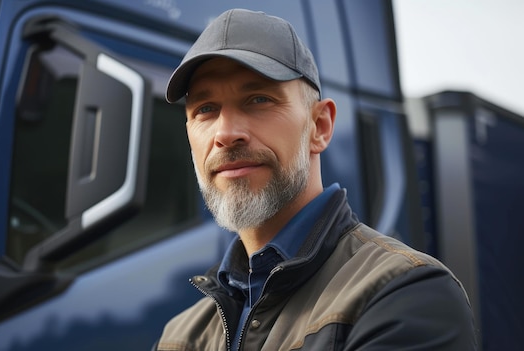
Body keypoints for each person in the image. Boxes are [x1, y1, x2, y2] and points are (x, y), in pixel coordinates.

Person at [154, 8, 477, 351]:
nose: (226, 133)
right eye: (205, 108)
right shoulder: (179, 335)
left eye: (258, 99)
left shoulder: (406, 292)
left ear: (320, 127)